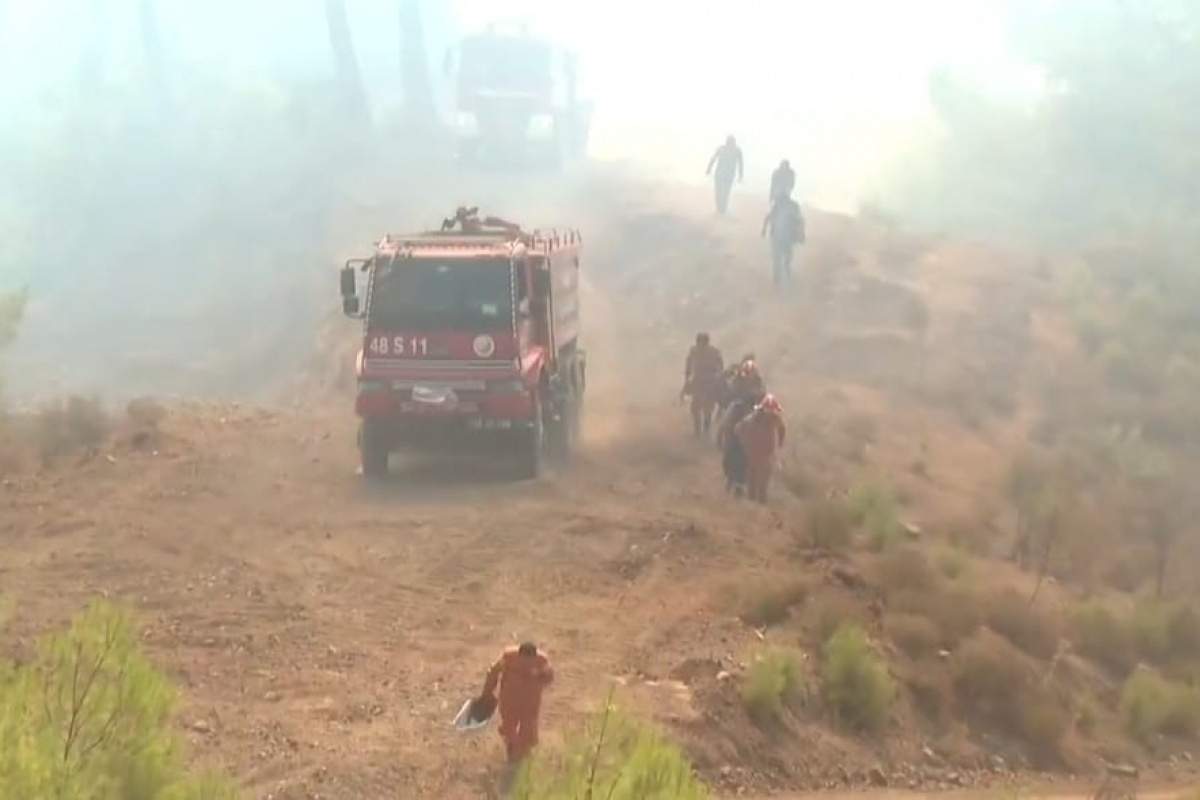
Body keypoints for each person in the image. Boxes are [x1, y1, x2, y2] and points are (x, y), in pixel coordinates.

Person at [480, 642, 554, 764]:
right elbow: (493, 672)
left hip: (530, 701)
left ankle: (522, 757)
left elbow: (549, 677)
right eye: (524, 659)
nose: (526, 662)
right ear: (520, 654)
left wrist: (540, 675)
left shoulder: (542, 661)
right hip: (509, 699)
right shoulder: (508, 657)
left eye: (529, 660)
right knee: (509, 725)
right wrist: (487, 692)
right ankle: (512, 748)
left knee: (528, 728)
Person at [716, 360, 765, 496]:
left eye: (751, 373)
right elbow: (731, 392)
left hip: (754, 411)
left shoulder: (758, 381)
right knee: (730, 452)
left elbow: (762, 394)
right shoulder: (738, 381)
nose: (748, 375)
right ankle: (732, 479)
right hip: (738, 409)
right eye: (747, 373)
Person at [734, 393, 787, 503]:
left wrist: (780, 443)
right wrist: (744, 444)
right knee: (752, 478)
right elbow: (738, 429)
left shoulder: (775, 419)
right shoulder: (752, 419)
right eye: (769, 410)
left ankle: (761, 501)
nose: (771, 413)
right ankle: (751, 501)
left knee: (764, 480)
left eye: (772, 411)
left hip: (767, 454)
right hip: (752, 453)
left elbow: (782, 428)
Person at [681, 333, 725, 437]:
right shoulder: (694, 351)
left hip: (710, 381)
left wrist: (719, 377)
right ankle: (698, 430)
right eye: (699, 342)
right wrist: (687, 379)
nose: (701, 344)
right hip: (699, 380)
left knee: (708, 408)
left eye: (703, 342)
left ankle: (706, 429)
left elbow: (720, 366)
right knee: (695, 408)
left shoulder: (714, 351)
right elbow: (689, 365)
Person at [761, 193, 805, 288]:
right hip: (782, 236)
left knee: (781, 256)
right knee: (783, 256)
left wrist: (764, 229)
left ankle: (781, 273)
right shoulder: (789, 205)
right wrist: (764, 229)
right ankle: (780, 274)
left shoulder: (787, 205)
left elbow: (800, 222)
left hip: (782, 236)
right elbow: (800, 221)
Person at [705, 135, 744, 215]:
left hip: (728, 175)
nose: (730, 144)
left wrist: (740, 175)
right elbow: (713, 158)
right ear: (726, 142)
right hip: (720, 174)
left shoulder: (737, 151)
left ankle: (722, 209)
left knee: (726, 193)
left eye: (731, 142)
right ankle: (720, 208)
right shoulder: (721, 149)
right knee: (718, 192)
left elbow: (741, 164)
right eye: (729, 142)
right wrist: (708, 168)